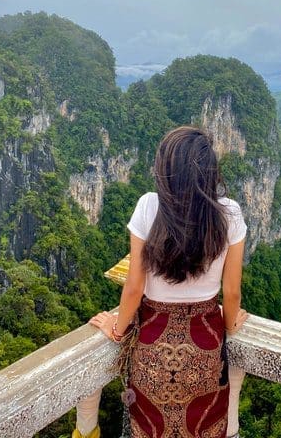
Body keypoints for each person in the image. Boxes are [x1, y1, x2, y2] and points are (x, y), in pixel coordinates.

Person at [87, 126, 249, 438]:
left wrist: (115, 327)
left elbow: (134, 287)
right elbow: (232, 291)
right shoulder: (230, 213)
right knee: (201, 426)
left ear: (166, 169)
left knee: (152, 429)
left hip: (152, 347)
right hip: (205, 347)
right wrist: (230, 323)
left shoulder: (148, 205)